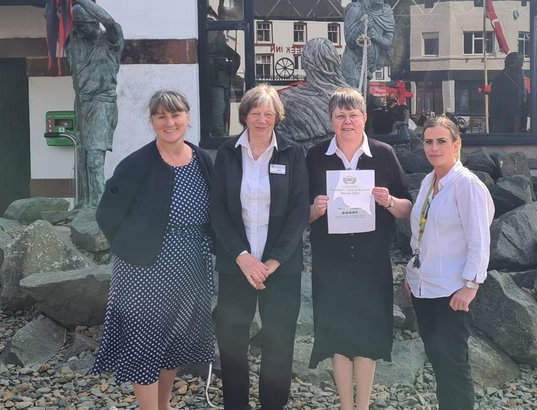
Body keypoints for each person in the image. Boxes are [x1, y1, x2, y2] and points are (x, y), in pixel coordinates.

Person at [92, 90, 215, 410]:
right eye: (161, 116)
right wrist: (132, 250)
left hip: (190, 266)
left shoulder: (202, 158)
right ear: (152, 121)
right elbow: (106, 215)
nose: (169, 122)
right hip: (144, 269)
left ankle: (163, 405)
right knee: (144, 344)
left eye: (175, 115)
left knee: (173, 342)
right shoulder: (136, 164)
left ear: (188, 117)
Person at [307, 87, 412, 410]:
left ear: (365, 118)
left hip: (370, 260)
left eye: (353, 115)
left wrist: (389, 201)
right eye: (340, 116)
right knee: (338, 336)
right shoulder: (314, 157)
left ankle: (362, 406)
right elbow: (298, 212)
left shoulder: (383, 154)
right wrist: (315, 209)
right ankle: (345, 405)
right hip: (331, 261)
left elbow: (407, 207)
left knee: (367, 335)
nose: (347, 121)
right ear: (331, 120)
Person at [210, 85, 309, 410]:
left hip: (280, 269)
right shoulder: (227, 153)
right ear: (245, 115)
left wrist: (273, 261)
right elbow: (218, 211)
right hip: (236, 266)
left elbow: (298, 212)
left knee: (279, 343)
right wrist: (243, 258)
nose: (262, 119)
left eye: (268, 113)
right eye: (256, 112)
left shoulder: (292, 154)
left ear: (277, 117)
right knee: (232, 343)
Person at [405, 116, 494, 410]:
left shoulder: (467, 186)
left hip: (452, 292)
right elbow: (422, 231)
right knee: (440, 366)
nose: (434, 147)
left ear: (456, 145)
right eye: (428, 142)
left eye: (441, 141)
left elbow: (479, 240)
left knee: (454, 367)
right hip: (424, 288)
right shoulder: (429, 181)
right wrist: (411, 271)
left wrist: (471, 286)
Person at [66, 0, 124, 208]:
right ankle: (84, 205)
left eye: (83, 26)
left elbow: (109, 22)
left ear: (94, 23)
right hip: (81, 103)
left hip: (102, 103)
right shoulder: (74, 43)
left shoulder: (110, 41)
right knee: (81, 156)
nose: (78, 31)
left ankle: (97, 210)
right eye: (76, 26)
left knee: (94, 159)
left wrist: (82, 1)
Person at [277, 37, 348, 145]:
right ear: (335, 61)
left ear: (306, 63)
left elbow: (279, 137)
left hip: (302, 158)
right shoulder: (351, 97)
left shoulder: (287, 99)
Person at [341, 0, 395, 90]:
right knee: (353, 96)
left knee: (362, 97)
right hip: (353, 63)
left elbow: (388, 42)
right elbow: (349, 41)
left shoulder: (386, 11)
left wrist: (376, 36)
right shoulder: (356, 8)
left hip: (369, 67)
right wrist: (362, 27)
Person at [208, 0, 241, 137]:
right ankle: (218, 129)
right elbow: (210, 46)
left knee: (223, 104)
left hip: (221, 74)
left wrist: (230, 65)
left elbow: (228, 52)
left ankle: (221, 129)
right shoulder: (212, 26)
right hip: (214, 73)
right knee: (219, 103)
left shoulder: (217, 28)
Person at [489, 52, 528, 133]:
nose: (522, 65)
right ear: (514, 63)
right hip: (506, 124)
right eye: (521, 62)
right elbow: (494, 106)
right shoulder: (500, 80)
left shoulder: (521, 77)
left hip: (514, 124)